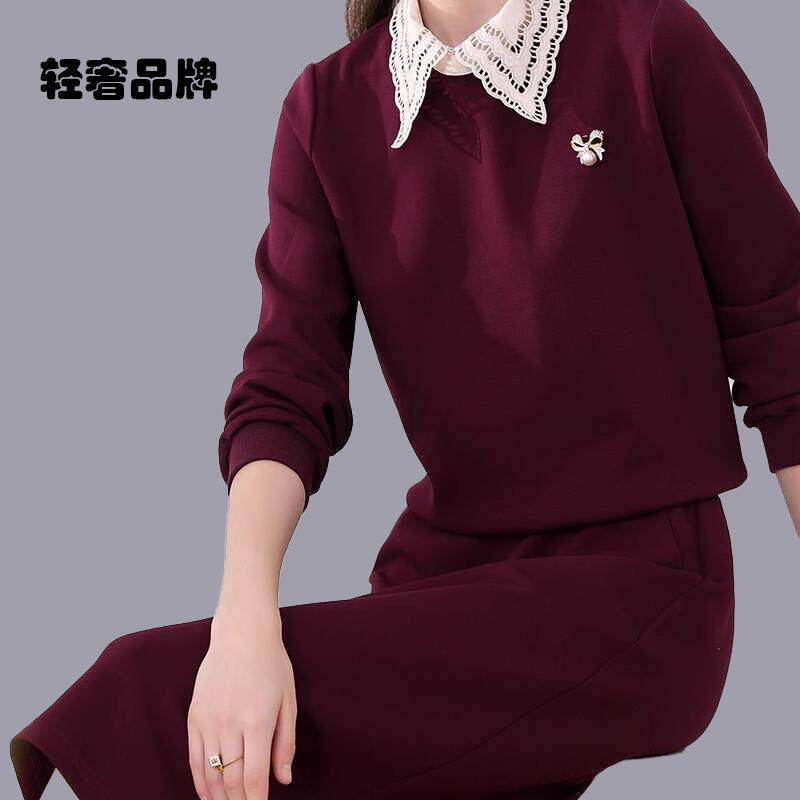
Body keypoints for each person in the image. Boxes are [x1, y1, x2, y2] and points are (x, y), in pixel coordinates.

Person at [10, 1, 800, 798]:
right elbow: (286, 389)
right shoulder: (327, 109)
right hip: (440, 578)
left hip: (643, 585)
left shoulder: (647, 39)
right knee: (227, 713)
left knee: (143, 694)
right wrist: (243, 624)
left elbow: (783, 336)